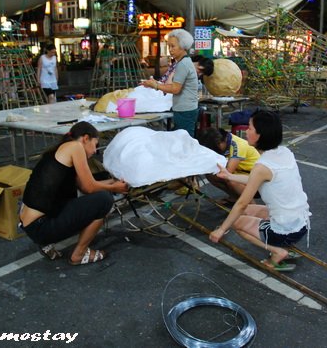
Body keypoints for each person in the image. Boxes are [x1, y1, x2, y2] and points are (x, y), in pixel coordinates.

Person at [209, 110, 311, 272]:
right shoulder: (284, 152)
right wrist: (229, 176)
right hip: (302, 223)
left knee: (235, 222)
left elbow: (241, 204)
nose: (246, 131)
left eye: (249, 128)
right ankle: (284, 244)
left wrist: (221, 230)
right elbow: (256, 180)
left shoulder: (262, 166)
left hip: (287, 230)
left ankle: (278, 251)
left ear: (260, 135)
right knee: (250, 210)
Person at [19, 121, 128, 265]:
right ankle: (79, 254)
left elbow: (84, 186)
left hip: (31, 224)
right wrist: (114, 189)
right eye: (95, 144)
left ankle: (47, 241)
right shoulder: (75, 147)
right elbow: (90, 188)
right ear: (85, 138)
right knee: (104, 200)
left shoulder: (62, 150)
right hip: (41, 227)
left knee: (88, 196)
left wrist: (112, 182)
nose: (95, 151)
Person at [141, 29, 199, 137]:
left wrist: (156, 85)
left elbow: (175, 89)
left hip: (185, 110)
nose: (170, 50)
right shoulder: (182, 62)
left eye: (173, 46)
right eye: (169, 46)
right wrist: (155, 83)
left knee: (185, 142)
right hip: (186, 108)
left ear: (182, 47)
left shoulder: (183, 64)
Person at [197, 127, 260, 203]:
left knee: (230, 179)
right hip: (244, 174)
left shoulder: (237, 145)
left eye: (213, 148)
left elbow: (228, 172)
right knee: (210, 176)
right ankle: (235, 197)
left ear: (219, 143)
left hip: (259, 181)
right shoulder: (225, 141)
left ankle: (251, 205)